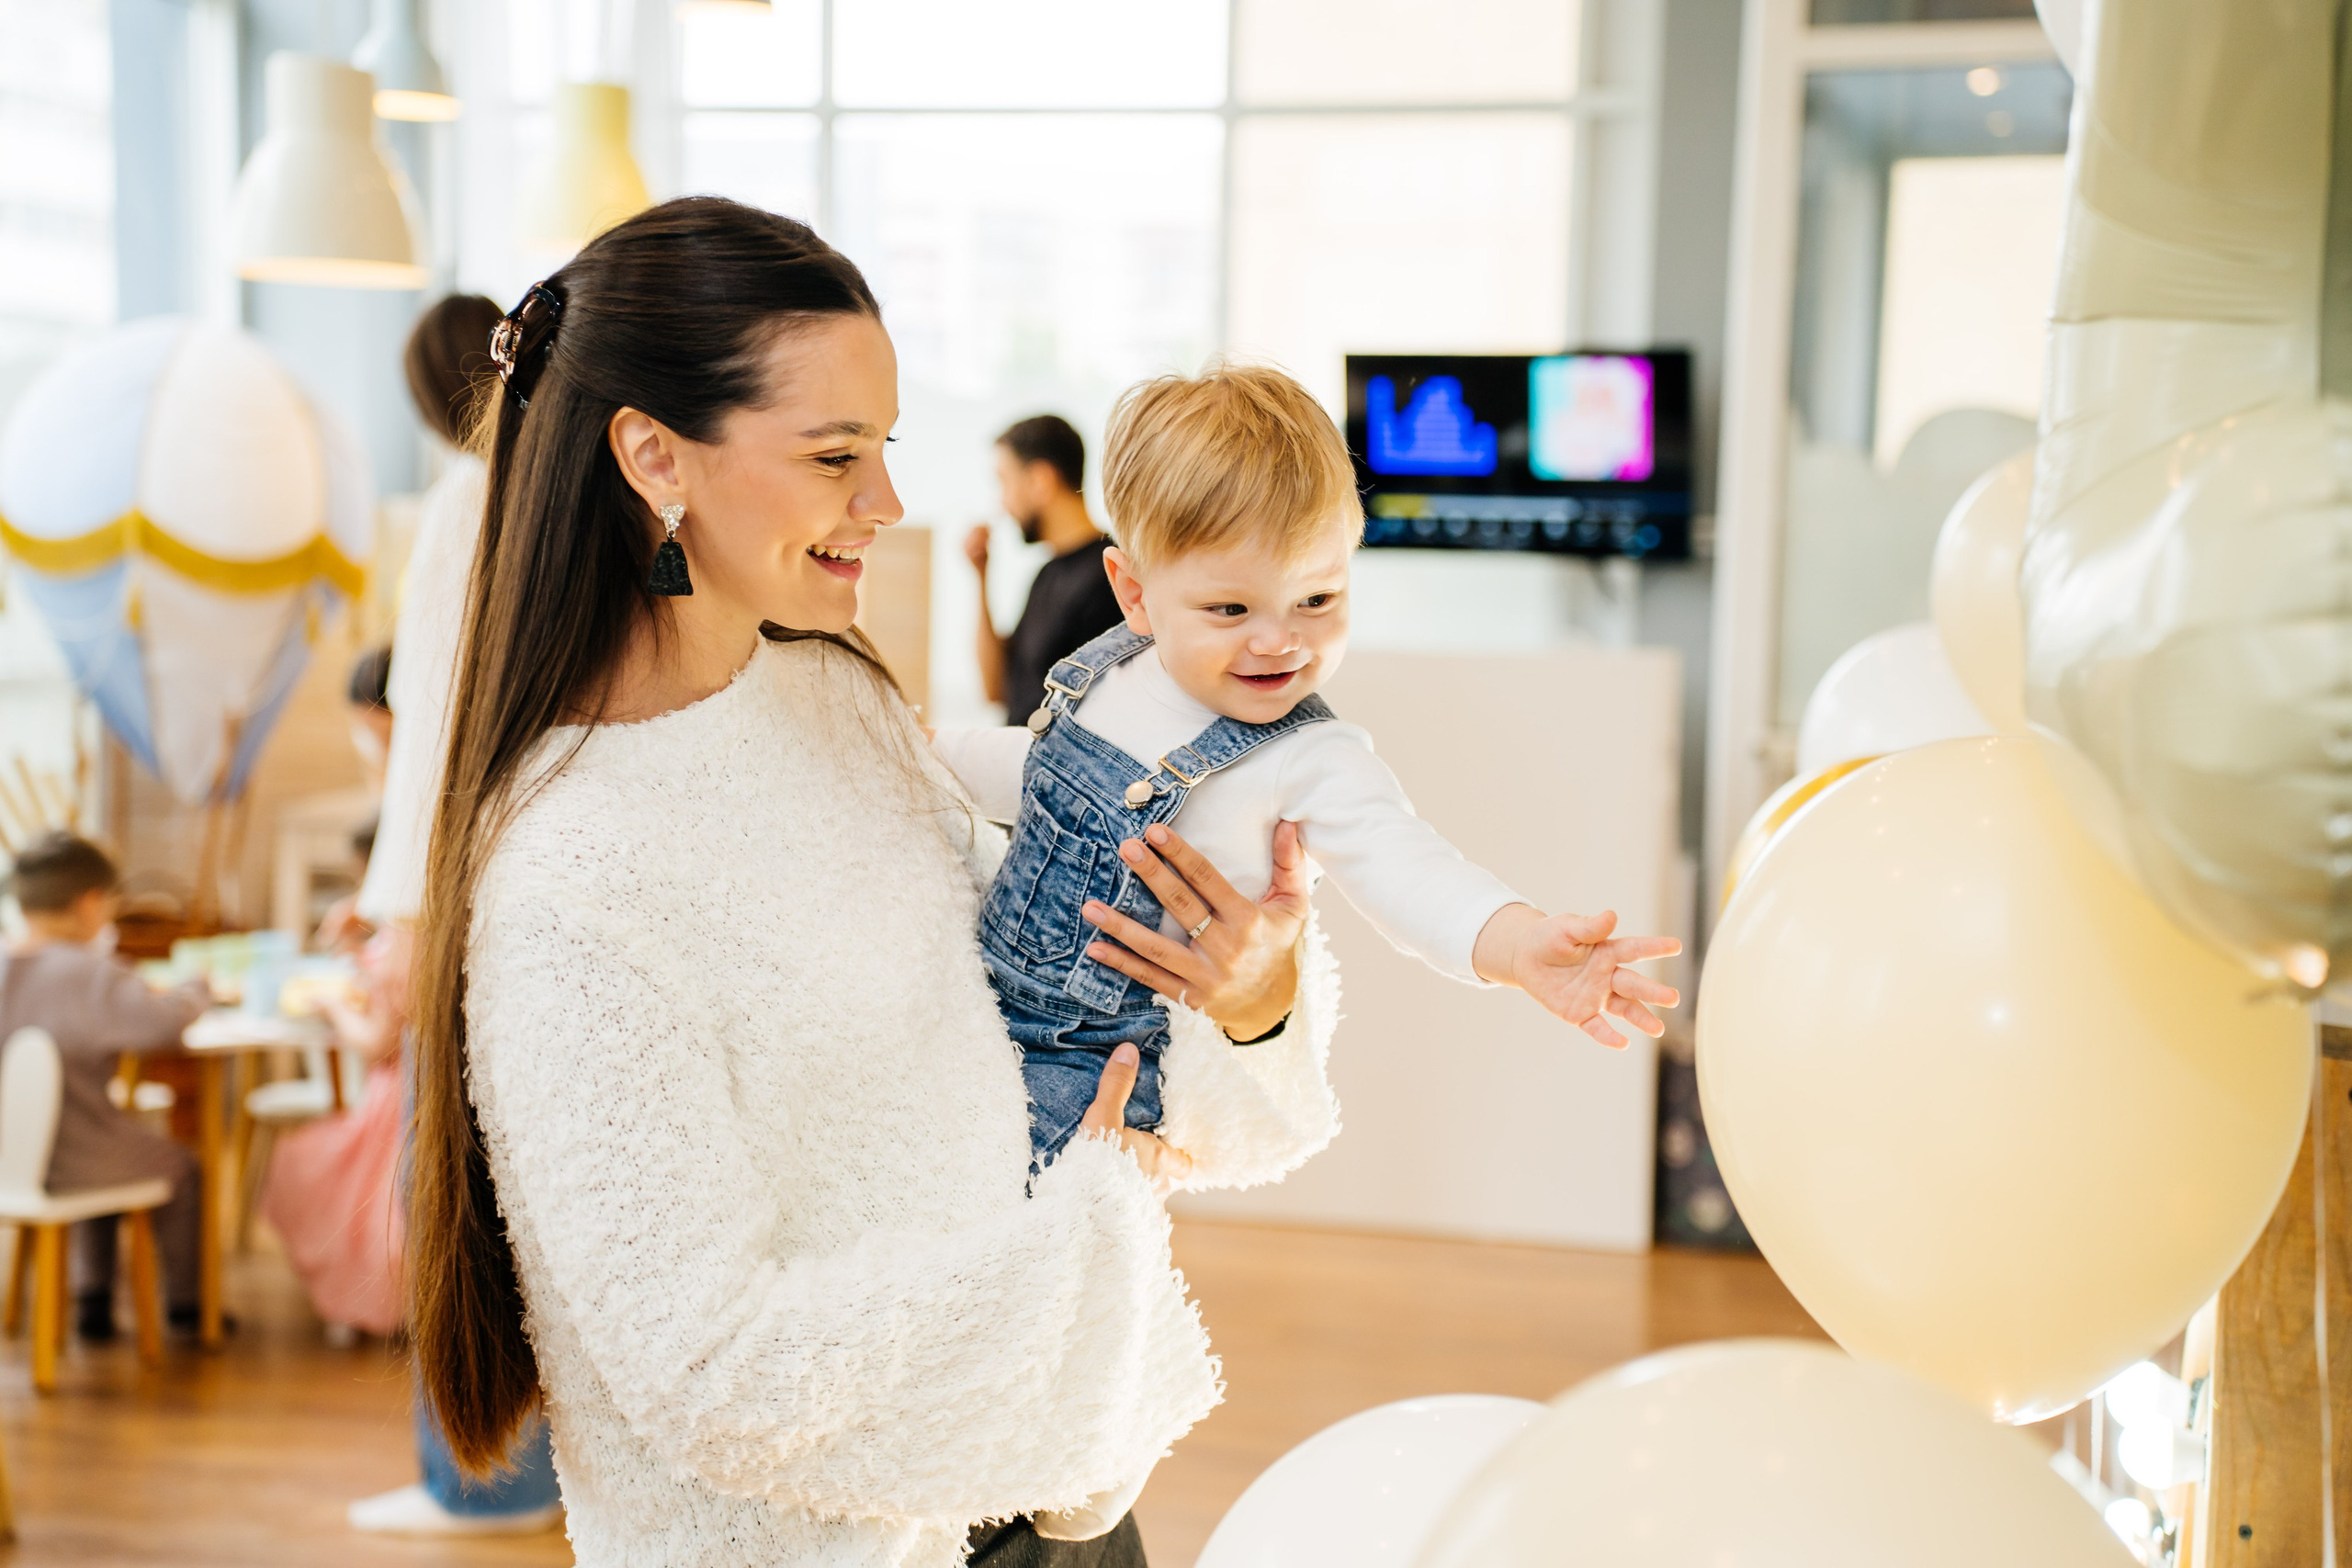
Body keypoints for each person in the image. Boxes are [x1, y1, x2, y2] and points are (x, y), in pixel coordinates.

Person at [404, 197, 1342, 1567]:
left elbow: (1064, 1005)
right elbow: (707, 1368)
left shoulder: (842, 710)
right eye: (838, 454)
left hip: (1056, 1505)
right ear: (654, 457)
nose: (888, 503)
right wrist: (1087, 1229)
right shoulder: (567, 884)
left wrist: (1249, 998)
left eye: (884, 449)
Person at [930, 365, 1684, 1166]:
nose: (1279, 640)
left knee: (1009, 1240)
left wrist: (1522, 943)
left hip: (1090, 1073)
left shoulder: (1310, 756)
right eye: (1231, 609)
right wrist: (918, 751)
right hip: (974, 1006)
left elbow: (1412, 871)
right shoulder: (1109, 674)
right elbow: (1036, 770)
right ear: (1135, 594)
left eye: (1317, 600)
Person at [331, 291, 564, 1540]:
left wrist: (402, 916)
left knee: (453, 1196)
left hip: (459, 897)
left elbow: (431, 728)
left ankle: (479, 1475)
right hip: (548, 883)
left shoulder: (468, 502)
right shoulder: (571, 495)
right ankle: (534, 1466)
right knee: (539, 1186)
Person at [0, 832, 210, 1341]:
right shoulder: (92, 974)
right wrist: (196, 988)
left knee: (116, 1142)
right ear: (92, 903)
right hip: (71, 1156)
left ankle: (92, 1296)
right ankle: (187, 1309)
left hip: (12, 1160)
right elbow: (165, 1026)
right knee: (180, 1167)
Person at [966, 415, 1125, 726]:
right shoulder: (1046, 575)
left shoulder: (1109, 577)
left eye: (1004, 481)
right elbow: (995, 689)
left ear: (1040, 480)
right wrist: (980, 575)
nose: (1003, 503)